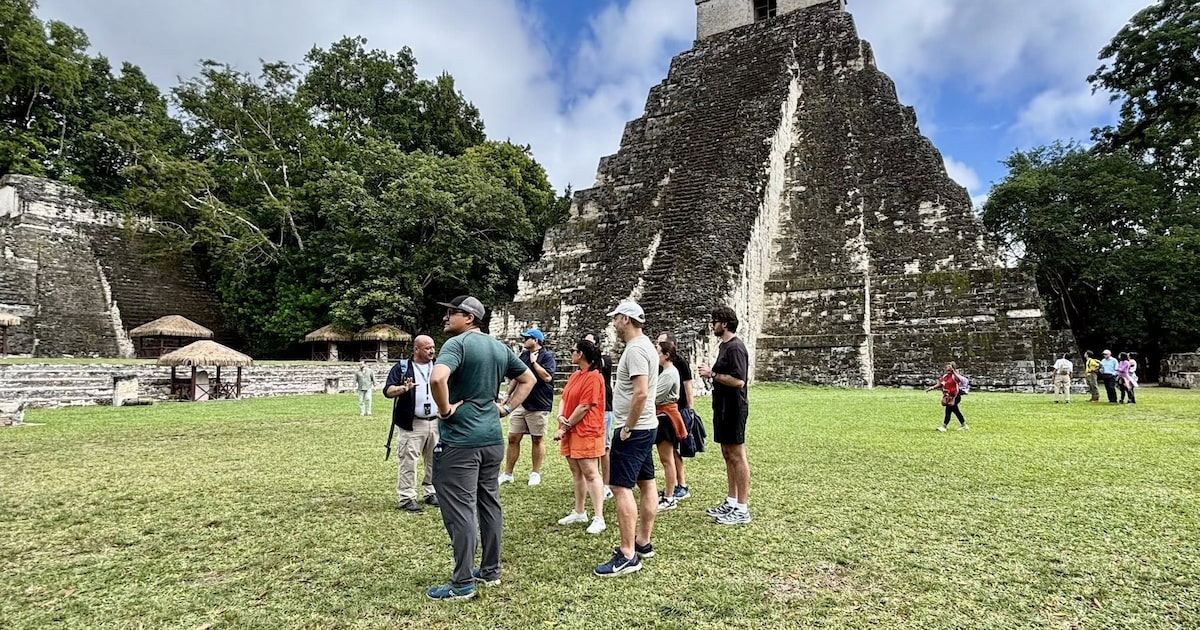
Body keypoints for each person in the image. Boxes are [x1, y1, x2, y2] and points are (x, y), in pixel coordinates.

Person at [426, 295, 534, 601]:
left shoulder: (456, 345)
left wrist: (445, 409)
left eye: (452, 312)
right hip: (491, 439)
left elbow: (437, 377)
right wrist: (506, 408)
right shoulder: (499, 347)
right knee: (490, 504)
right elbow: (527, 379)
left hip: (460, 442)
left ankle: (462, 582)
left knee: (460, 510)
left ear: (469, 317)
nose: (446, 317)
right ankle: (490, 570)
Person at [594, 301, 659, 577]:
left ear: (625, 319)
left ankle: (627, 554)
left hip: (635, 429)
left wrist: (627, 427)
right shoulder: (647, 346)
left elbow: (641, 393)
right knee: (647, 483)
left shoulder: (635, 350)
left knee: (621, 488)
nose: (614, 323)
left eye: (616, 318)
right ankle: (642, 541)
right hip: (648, 426)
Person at [699, 306, 752, 526]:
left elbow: (739, 380)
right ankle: (731, 501)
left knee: (737, 455)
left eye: (716, 321)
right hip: (721, 406)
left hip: (734, 408)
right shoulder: (724, 347)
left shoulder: (736, 348)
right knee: (727, 453)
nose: (713, 325)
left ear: (725, 323)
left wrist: (712, 374)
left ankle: (742, 507)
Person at [552, 338, 608, 535]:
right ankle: (579, 510)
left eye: (573, 350)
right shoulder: (576, 375)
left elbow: (585, 406)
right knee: (576, 471)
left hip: (586, 431)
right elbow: (565, 398)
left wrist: (564, 426)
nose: (571, 353)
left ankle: (599, 517)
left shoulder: (594, 377)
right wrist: (561, 416)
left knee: (591, 472)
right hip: (572, 429)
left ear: (581, 354)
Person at [384, 335, 439, 512]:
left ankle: (431, 492)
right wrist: (403, 389)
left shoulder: (439, 366)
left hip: (436, 421)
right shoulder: (402, 368)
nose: (431, 351)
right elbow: (388, 390)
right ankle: (407, 497)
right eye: (427, 348)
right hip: (413, 423)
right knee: (409, 461)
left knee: (435, 460)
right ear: (416, 349)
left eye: (433, 348)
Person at [501, 328, 556, 487]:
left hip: (539, 404)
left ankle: (535, 473)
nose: (523, 340)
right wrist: (507, 395)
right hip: (520, 403)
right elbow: (516, 378)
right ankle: (508, 473)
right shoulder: (523, 356)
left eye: (527, 338)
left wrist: (534, 363)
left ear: (536, 340)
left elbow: (547, 377)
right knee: (512, 438)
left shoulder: (547, 356)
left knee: (537, 439)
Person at [656, 332, 695, 501]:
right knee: (670, 455)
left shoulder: (674, 369)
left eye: (659, 347)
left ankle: (675, 490)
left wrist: (690, 409)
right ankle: (672, 488)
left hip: (669, 414)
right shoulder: (665, 369)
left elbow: (687, 386)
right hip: (666, 414)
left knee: (670, 456)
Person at [653, 339, 688, 513]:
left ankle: (669, 496)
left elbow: (656, 397)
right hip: (665, 416)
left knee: (667, 460)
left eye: (658, 351)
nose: (656, 354)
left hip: (665, 418)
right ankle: (669, 492)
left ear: (666, 355)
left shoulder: (668, 373)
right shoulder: (668, 371)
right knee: (668, 459)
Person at [584, 333, 615, 501]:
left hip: (604, 407)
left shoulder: (605, 359)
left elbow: (599, 364)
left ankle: (606, 484)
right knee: (592, 447)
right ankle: (594, 480)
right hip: (589, 406)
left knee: (604, 446)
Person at [926, 362, 968, 431]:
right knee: (956, 411)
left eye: (949, 367)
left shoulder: (955, 376)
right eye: (947, 367)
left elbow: (960, 380)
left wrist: (954, 371)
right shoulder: (945, 376)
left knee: (948, 410)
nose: (948, 369)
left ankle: (944, 426)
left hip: (955, 396)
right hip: (947, 396)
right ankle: (964, 425)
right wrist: (932, 388)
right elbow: (940, 384)